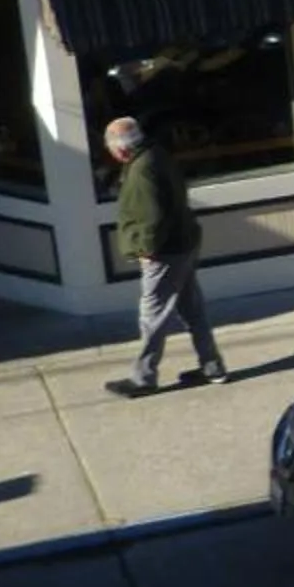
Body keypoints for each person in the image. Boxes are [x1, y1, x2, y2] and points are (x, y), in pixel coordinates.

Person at [104, 116, 225, 398]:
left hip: (166, 252)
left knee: (153, 315)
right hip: (183, 243)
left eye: (109, 146)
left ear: (120, 149)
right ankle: (212, 367)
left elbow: (152, 216)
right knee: (192, 310)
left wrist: (146, 249)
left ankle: (143, 378)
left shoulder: (142, 169)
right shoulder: (156, 155)